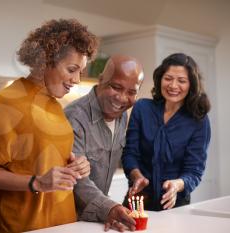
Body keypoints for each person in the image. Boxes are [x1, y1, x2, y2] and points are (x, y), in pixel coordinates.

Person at [0, 19, 99, 233]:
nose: (76, 80)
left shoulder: (54, 104)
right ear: (45, 60)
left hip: (62, 221)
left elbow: (47, 160)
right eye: (72, 69)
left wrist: (77, 165)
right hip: (26, 226)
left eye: (81, 72)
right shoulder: (7, 103)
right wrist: (36, 183)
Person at [122, 53, 211, 211]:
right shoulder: (142, 108)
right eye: (168, 78)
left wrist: (177, 185)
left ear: (191, 84)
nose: (173, 85)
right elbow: (130, 153)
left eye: (181, 81)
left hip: (174, 204)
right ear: (160, 79)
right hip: (138, 200)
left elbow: (194, 171)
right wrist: (137, 176)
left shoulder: (198, 121)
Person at [65, 55, 144, 232]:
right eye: (116, 87)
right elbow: (77, 179)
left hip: (97, 221)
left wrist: (136, 174)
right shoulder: (75, 117)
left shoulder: (121, 114)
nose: (122, 98)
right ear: (101, 80)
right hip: (70, 222)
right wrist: (110, 208)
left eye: (131, 92)